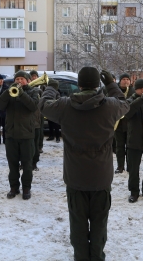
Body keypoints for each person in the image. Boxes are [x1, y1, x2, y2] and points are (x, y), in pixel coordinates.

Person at [39, 68, 129, 261]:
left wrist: (50, 88)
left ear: (79, 84)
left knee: (78, 226)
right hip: (101, 177)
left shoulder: (64, 105)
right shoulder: (111, 106)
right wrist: (112, 85)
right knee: (99, 225)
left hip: (75, 178)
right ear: (98, 84)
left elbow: (44, 105)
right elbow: (125, 103)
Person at [0, 70, 39, 200]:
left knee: (27, 164)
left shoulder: (33, 92)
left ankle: (26, 188)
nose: (19, 81)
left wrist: (21, 94)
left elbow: (33, 106)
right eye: (17, 79)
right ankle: (14, 187)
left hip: (27, 134)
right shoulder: (9, 92)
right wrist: (7, 93)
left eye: (22, 79)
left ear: (27, 80)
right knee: (12, 164)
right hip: (11, 134)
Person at [113, 72, 135, 174]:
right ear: (120, 81)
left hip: (130, 123)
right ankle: (120, 166)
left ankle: (130, 166)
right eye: (124, 79)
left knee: (130, 146)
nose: (126, 81)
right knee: (119, 146)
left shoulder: (133, 91)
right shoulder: (115, 91)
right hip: (118, 123)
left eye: (127, 79)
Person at [29, 70, 45, 169]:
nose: (34, 78)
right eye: (33, 76)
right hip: (30, 119)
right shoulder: (28, 88)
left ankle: (35, 162)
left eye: (35, 76)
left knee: (37, 139)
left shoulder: (41, 87)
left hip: (38, 116)